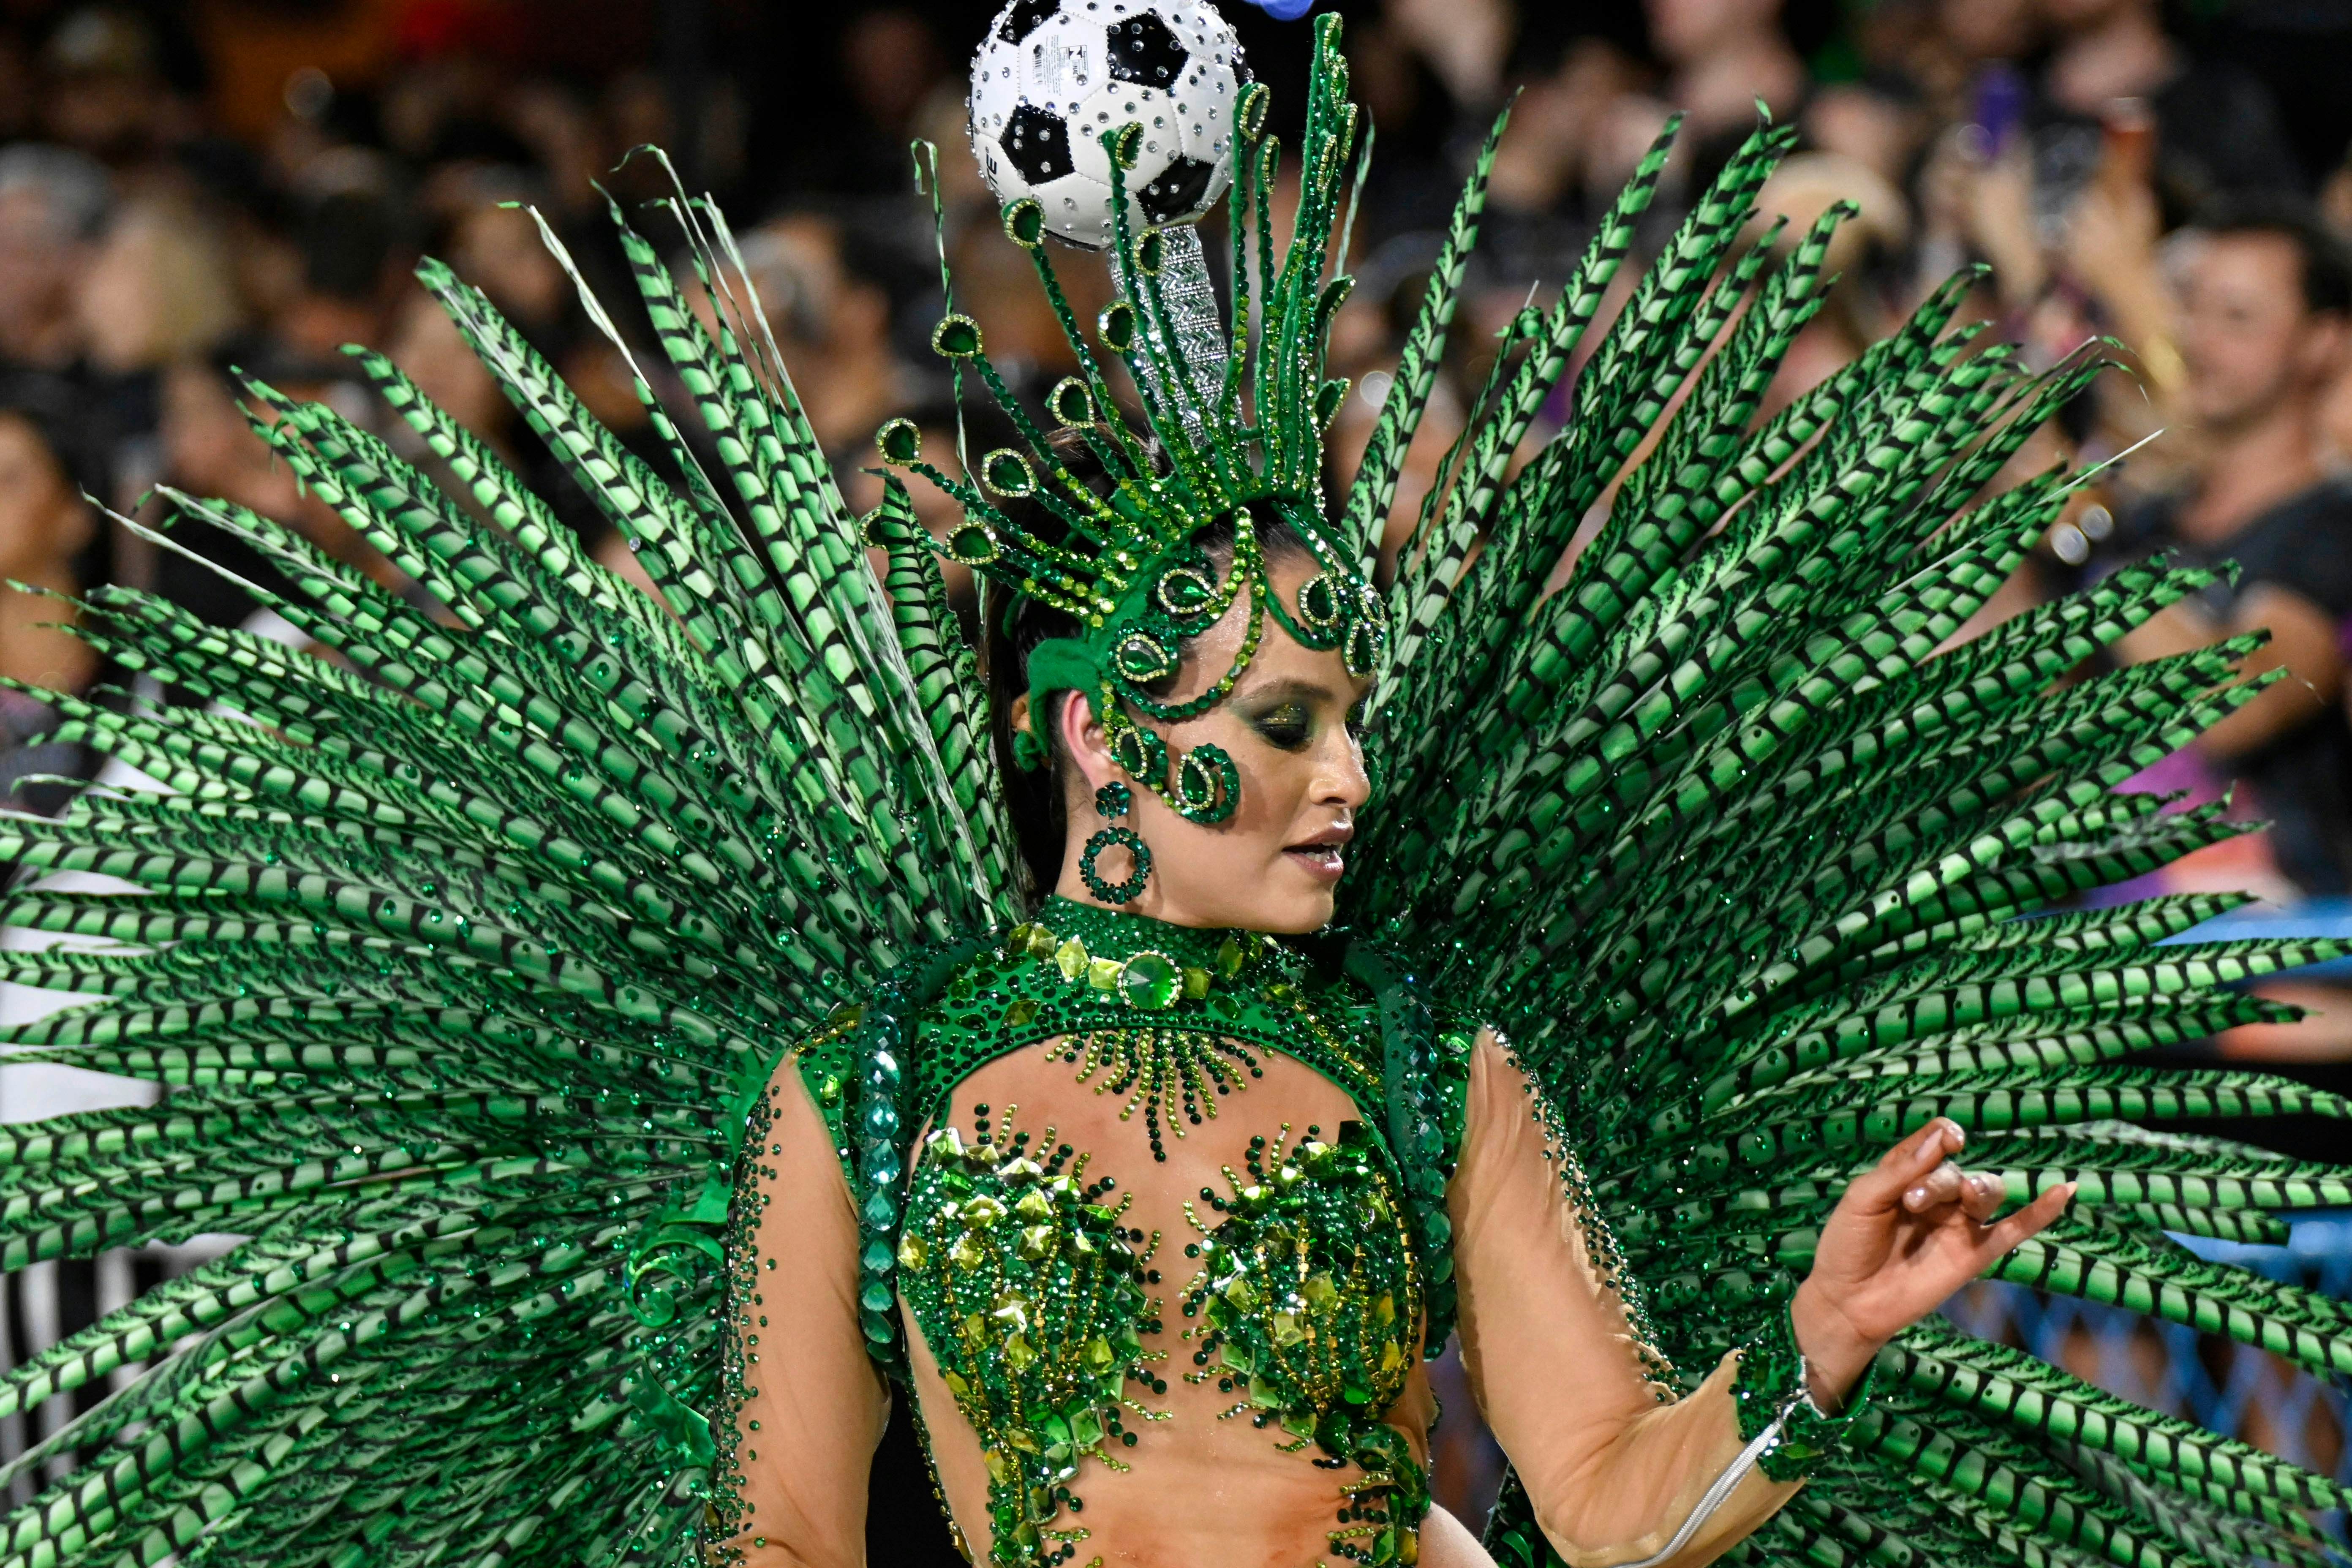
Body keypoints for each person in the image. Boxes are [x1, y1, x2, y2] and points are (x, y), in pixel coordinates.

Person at [0, 10, 2333, 1568]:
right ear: (1105, 734)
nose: (1342, 783)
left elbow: (1612, 1499)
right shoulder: (876, 1082)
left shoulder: (1437, 1063)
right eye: (1288, 727)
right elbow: (794, 1543)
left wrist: (1812, 1350)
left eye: (1354, 725)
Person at [2075, 199, 2352, 896]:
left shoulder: (2333, 531)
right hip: (2091, 945)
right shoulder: (2144, 523)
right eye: (2191, 307)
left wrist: (2088, 545)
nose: (2197, 340)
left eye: (2238, 319)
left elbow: (2233, 708)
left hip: (2272, 951)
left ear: (2322, 342)